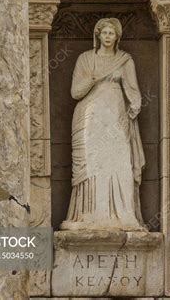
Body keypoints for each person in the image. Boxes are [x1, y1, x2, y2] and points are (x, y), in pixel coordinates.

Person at [60, 18, 146, 231]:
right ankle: (90, 215)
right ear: (98, 35)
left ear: (117, 37)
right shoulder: (86, 59)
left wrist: (134, 106)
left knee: (120, 161)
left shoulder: (125, 60)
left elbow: (133, 90)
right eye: (105, 32)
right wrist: (92, 78)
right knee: (92, 162)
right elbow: (75, 92)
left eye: (112, 33)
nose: (108, 36)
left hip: (116, 114)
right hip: (90, 115)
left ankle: (125, 215)